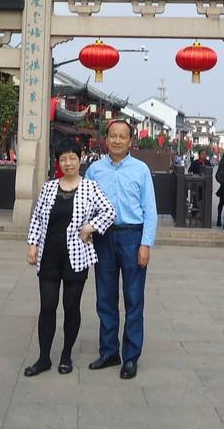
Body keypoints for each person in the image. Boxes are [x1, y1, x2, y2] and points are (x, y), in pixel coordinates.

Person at [24, 139, 116, 376]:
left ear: (80, 159)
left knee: (71, 307)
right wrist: (32, 245)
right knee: (47, 306)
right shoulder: (48, 187)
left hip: (76, 256)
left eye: (72, 158)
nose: (68, 163)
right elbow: (37, 218)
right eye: (63, 159)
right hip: (49, 254)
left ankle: (66, 355)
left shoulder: (90, 187)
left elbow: (109, 212)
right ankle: (44, 358)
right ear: (58, 162)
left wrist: (90, 228)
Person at [85, 119, 157, 380]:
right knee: (105, 297)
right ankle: (109, 351)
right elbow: (85, 205)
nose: (117, 140)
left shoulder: (141, 170)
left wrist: (145, 244)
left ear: (130, 141)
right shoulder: (94, 170)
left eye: (122, 136)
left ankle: (131, 357)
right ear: (106, 139)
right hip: (103, 237)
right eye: (112, 136)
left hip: (132, 236)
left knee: (133, 298)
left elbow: (150, 210)